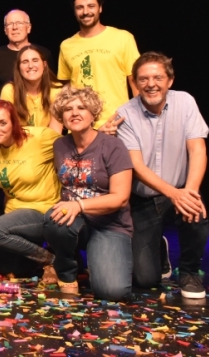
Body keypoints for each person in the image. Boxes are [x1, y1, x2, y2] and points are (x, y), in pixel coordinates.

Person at [116, 53, 209, 298]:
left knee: (196, 212)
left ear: (170, 80)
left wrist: (189, 192)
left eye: (158, 77)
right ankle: (159, 247)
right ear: (135, 83)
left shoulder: (185, 102)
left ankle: (189, 271)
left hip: (181, 186)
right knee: (145, 279)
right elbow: (136, 165)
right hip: (145, 198)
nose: (151, 84)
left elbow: (197, 149)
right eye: (143, 79)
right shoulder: (125, 113)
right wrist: (173, 193)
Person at [43, 85, 134, 299]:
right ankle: (66, 270)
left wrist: (80, 205)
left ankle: (97, 258)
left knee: (112, 291)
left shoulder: (113, 146)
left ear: (93, 114)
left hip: (109, 225)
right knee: (53, 220)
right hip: (74, 222)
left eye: (81, 108)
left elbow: (120, 198)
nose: (74, 113)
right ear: (61, 117)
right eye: (68, 109)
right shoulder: (60, 145)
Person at [0, 100, 61, 280]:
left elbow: (73, 142)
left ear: (14, 124)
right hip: (14, 214)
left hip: (43, 210)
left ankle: (51, 259)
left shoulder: (39, 138)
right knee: (6, 268)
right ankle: (50, 256)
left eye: (3, 123)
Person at [57, 0, 140, 128]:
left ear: (100, 8)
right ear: (75, 12)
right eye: (80, 7)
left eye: (91, 6)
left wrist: (139, 119)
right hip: (82, 126)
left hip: (118, 123)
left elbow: (136, 83)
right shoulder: (66, 45)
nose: (85, 12)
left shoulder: (123, 38)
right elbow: (65, 91)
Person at [0, 9, 52, 102]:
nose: (14, 27)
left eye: (19, 23)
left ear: (29, 28)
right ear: (5, 30)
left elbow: (52, 85)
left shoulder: (44, 54)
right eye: (10, 24)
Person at [0, 45, 63, 131]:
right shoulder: (9, 90)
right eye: (25, 62)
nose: (30, 65)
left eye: (35, 60)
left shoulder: (56, 90)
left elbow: (55, 132)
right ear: (19, 67)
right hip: (19, 143)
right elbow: (7, 129)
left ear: (44, 65)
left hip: (47, 143)